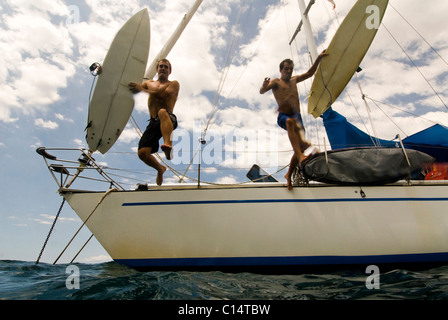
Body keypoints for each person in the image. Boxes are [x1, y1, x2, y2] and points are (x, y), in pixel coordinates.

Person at [259, 50, 327, 190]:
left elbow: (309, 73)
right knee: (290, 123)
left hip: (298, 117)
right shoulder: (276, 82)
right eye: (286, 69)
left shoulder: (295, 79)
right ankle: (301, 156)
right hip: (285, 116)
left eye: (290, 69)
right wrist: (264, 86)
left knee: (301, 146)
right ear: (281, 70)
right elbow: (262, 91)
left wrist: (319, 58)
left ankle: (288, 175)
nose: (288, 71)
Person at [129, 59, 180, 186]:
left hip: (168, 118)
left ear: (169, 71)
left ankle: (168, 146)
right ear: (156, 69)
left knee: (162, 112)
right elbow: (131, 86)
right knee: (142, 153)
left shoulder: (174, 84)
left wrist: (142, 89)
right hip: (153, 122)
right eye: (161, 66)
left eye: (166, 67)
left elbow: (162, 94)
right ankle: (160, 169)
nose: (163, 68)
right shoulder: (148, 83)